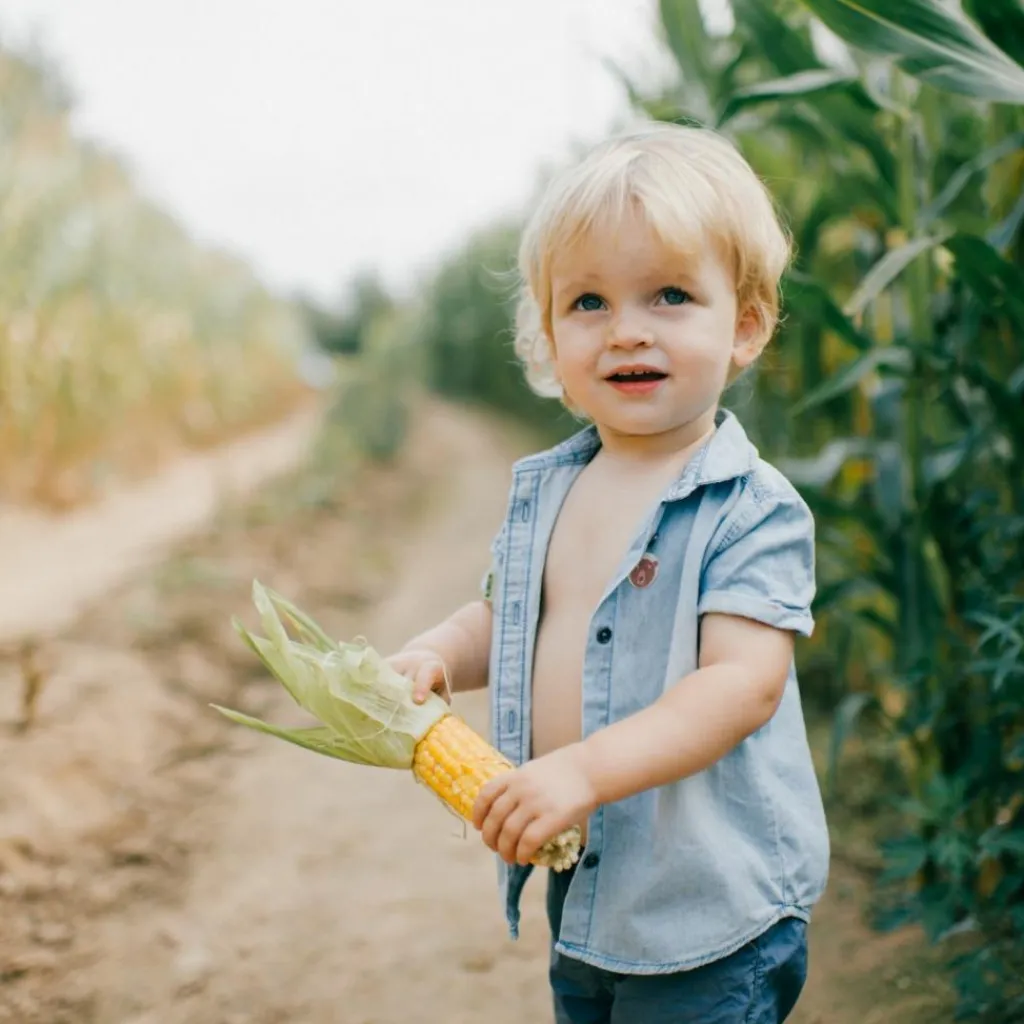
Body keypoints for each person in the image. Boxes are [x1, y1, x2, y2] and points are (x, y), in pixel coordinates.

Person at [385, 121, 830, 1023]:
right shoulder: (556, 489)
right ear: (549, 337)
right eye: (588, 303)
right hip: (593, 893)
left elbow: (740, 687)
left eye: (669, 295)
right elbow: (512, 614)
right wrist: (436, 650)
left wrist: (582, 772)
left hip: (709, 910)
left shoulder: (750, 509)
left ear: (744, 324)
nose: (626, 331)